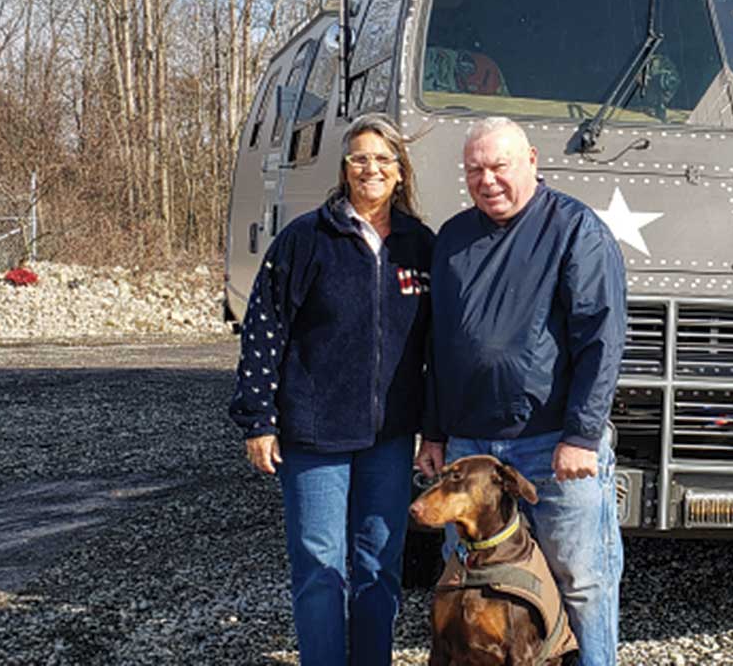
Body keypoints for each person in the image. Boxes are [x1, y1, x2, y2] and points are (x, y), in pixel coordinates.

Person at [415, 116, 626, 666]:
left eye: (499, 166)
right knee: (470, 584)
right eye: (474, 170)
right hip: (469, 450)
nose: (487, 180)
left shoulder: (575, 229)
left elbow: (600, 338)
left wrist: (582, 434)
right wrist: (434, 433)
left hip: (554, 445)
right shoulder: (455, 238)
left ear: (532, 160)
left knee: (580, 580)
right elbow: (441, 346)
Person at [229, 114, 434, 665]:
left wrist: (433, 429)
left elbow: (436, 349)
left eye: (382, 159)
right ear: (344, 169)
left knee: (378, 565)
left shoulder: (420, 246)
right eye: (359, 158)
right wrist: (259, 420)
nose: (371, 168)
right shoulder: (306, 239)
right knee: (321, 566)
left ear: (399, 171)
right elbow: (263, 331)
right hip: (315, 435)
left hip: (388, 439)